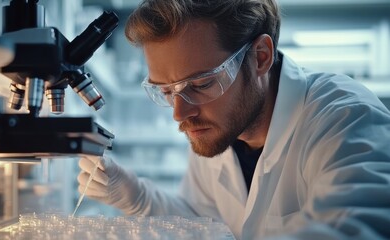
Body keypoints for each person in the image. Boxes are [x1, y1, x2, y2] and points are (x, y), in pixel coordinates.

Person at [77, 0, 390, 239]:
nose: (179, 114)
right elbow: (206, 225)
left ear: (260, 57)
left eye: (201, 84)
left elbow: (360, 224)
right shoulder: (216, 131)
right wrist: (138, 198)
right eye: (167, 91)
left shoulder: (344, 116)